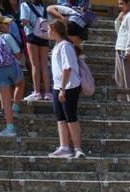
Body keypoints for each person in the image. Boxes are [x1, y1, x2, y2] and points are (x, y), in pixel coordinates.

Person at [45, 16, 82, 158]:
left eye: (49, 29)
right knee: (60, 118)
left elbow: (67, 68)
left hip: (68, 86)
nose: (48, 32)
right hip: (58, 86)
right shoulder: (57, 46)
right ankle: (64, 146)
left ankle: (77, 148)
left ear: (55, 30)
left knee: (71, 117)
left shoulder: (65, 46)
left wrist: (62, 89)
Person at [17, 0, 49, 102]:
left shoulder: (24, 5)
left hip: (32, 35)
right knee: (44, 65)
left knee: (35, 65)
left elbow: (24, 21)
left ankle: (37, 92)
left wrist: (21, 24)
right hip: (44, 36)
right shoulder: (43, 6)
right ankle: (48, 93)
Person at [111, 0, 130, 102]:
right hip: (119, 47)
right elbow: (119, 32)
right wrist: (118, 21)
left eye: (122, 3)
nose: (120, 6)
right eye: (119, 4)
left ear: (129, 3)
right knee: (120, 75)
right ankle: (122, 97)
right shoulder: (126, 16)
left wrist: (129, 50)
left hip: (125, 48)